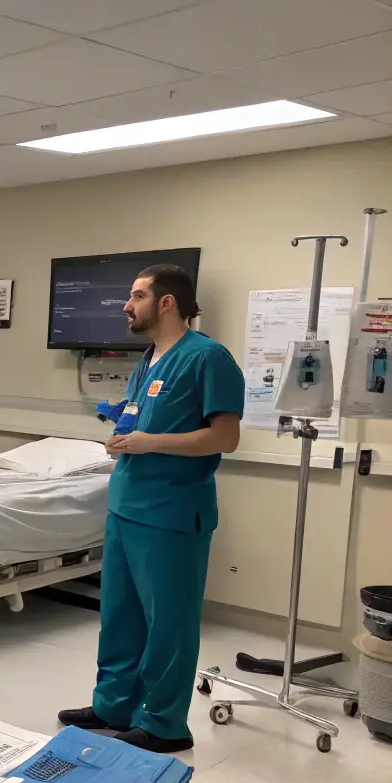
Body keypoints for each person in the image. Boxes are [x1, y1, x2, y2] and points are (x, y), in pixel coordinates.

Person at [59, 265, 245, 753]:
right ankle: (113, 706)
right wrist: (123, 431)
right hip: (127, 507)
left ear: (167, 303)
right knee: (119, 616)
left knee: (169, 624)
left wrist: (150, 442)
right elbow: (147, 418)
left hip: (171, 512)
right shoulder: (150, 359)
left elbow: (225, 436)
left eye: (137, 295)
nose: (127, 304)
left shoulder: (207, 357)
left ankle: (164, 725)